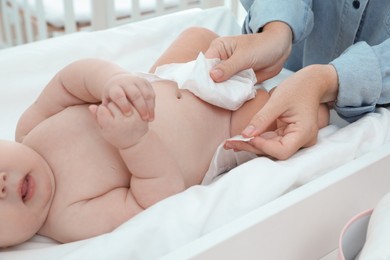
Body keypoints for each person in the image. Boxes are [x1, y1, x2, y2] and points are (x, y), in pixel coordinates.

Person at [0, 27, 329, 248]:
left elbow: (69, 81)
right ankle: (317, 82)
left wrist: (111, 82)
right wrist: (134, 142)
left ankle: (266, 50)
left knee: (197, 35)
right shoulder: (69, 219)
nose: (1, 186)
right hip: (223, 130)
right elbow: (156, 199)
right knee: (309, 117)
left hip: (170, 77)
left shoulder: (29, 129)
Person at [205, 0, 390, 160]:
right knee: (197, 36)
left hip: (368, 98)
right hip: (284, 63)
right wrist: (275, 30)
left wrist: (324, 81)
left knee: (295, 115)